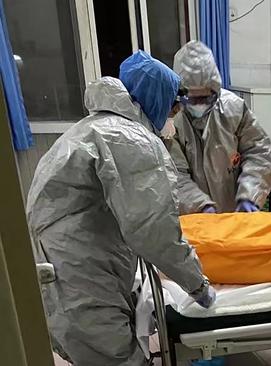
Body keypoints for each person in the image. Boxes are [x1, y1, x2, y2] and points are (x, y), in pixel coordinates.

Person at [26, 51, 216, 366]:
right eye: (171, 108)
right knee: (117, 360)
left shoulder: (90, 129)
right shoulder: (131, 139)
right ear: (155, 100)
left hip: (69, 263)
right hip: (83, 274)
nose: (171, 120)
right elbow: (154, 229)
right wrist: (197, 285)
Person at [167, 41, 271, 214]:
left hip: (236, 214)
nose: (200, 105)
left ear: (215, 90)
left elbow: (258, 153)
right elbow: (175, 174)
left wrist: (250, 195)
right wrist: (200, 205)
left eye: (206, 97)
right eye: (193, 99)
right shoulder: (173, 122)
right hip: (196, 219)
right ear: (181, 93)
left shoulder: (235, 110)